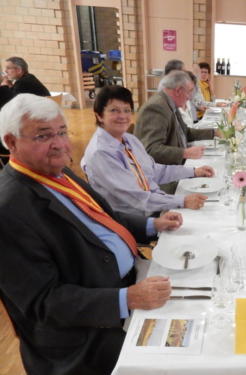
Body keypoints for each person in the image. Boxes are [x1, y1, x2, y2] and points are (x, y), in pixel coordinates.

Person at [0, 94, 183, 374]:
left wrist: (152, 226)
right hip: (87, 334)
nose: (60, 143)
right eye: (44, 135)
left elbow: (107, 218)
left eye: (62, 131)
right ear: (11, 142)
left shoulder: (59, 173)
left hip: (129, 279)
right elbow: (43, 302)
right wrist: (127, 299)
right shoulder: (9, 208)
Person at [82, 86, 214, 217]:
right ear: (99, 115)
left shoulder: (129, 139)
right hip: (135, 221)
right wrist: (182, 201)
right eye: (114, 110)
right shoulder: (101, 153)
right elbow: (137, 198)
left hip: (153, 203)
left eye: (127, 110)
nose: (122, 116)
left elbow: (154, 171)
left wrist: (193, 171)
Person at [134, 70, 219, 166]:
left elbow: (185, 132)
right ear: (178, 91)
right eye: (190, 92)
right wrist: (185, 153)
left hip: (177, 163)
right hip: (163, 174)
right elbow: (151, 150)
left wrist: (214, 132)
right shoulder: (157, 107)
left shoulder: (170, 103)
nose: (190, 97)